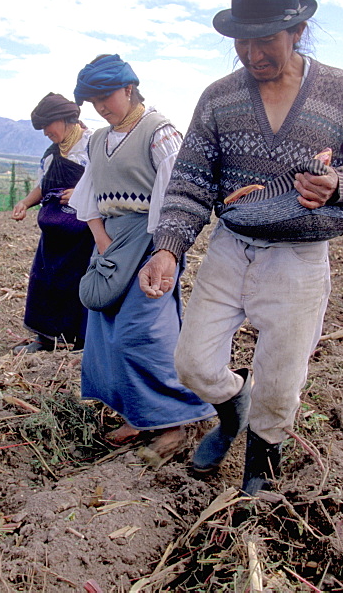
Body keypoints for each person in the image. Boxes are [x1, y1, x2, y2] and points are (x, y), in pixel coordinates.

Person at [139, 0, 343, 495]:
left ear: (297, 32)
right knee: (192, 364)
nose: (252, 53)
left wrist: (339, 183)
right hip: (233, 248)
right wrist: (167, 249)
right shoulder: (218, 98)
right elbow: (189, 181)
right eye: (243, 41)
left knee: (281, 380)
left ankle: (261, 466)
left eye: (265, 41)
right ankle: (233, 414)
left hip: (299, 258)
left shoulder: (340, 93)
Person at [68, 54, 215, 465]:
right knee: (108, 333)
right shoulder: (98, 140)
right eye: (92, 101)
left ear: (129, 88)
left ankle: (173, 422)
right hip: (112, 245)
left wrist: (163, 252)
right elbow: (87, 198)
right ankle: (138, 414)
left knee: (144, 331)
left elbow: (177, 197)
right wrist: (101, 241)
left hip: (153, 243)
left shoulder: (159, 132)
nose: (100, 107)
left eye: (106, 96)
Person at [11, 93, 94, 354]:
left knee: (79, 283)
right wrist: (25, 202)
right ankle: (46, 338)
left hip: (85, 232)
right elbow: (43, 184)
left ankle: (81, 340)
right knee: (45, 282)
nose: (46, 132)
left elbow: (107, 182)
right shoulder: (51, 154)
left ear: (66, 119)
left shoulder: (94, 145)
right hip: (53, 233)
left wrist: (82, 193)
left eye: (49, 125)